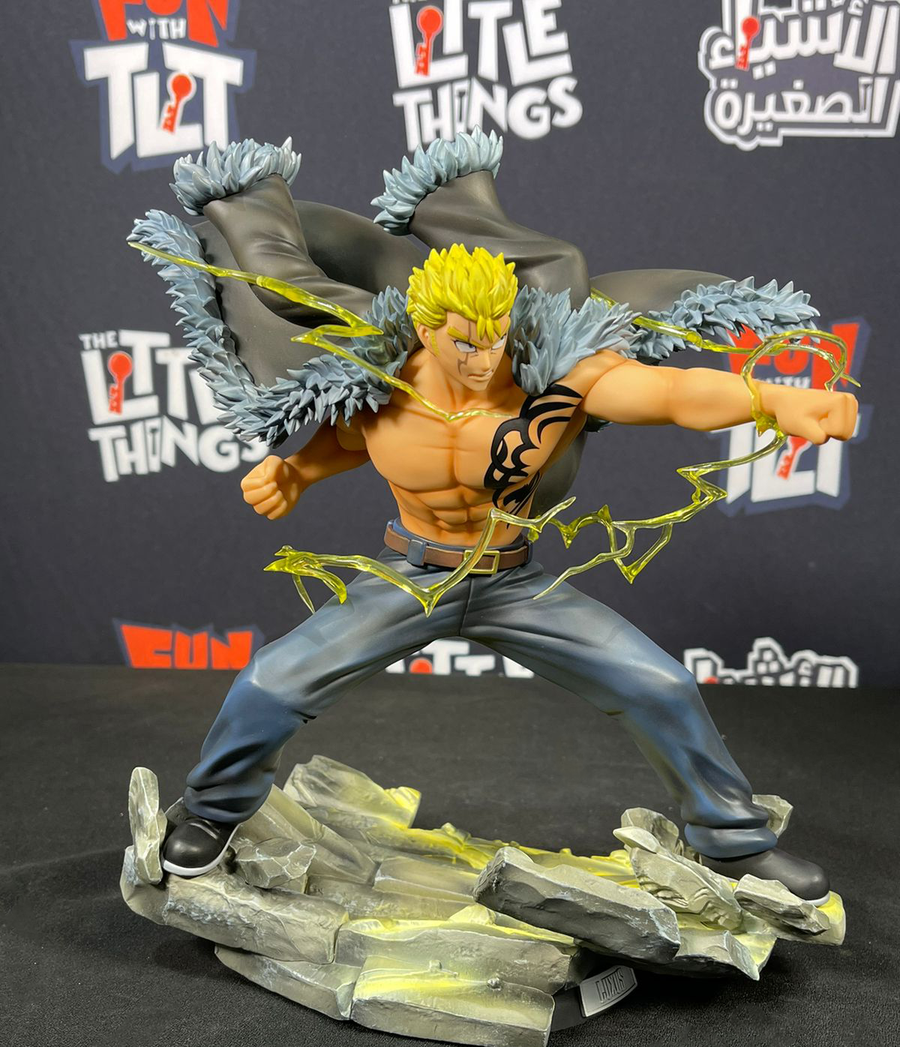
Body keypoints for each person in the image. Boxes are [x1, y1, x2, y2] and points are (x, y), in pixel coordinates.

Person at [133, 132, 855, 901]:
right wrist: (295, 472)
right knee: (270, 683)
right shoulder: (380, 376)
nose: (482, 359)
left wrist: (771, 400)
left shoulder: (556, 374)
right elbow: (346, 440)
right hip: (411, 577)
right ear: (424, 326)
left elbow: (670, 394)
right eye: (463, 343)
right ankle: (212, 813)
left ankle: (734, 845)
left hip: (514, 582)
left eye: (495, 337)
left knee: (661, 685)